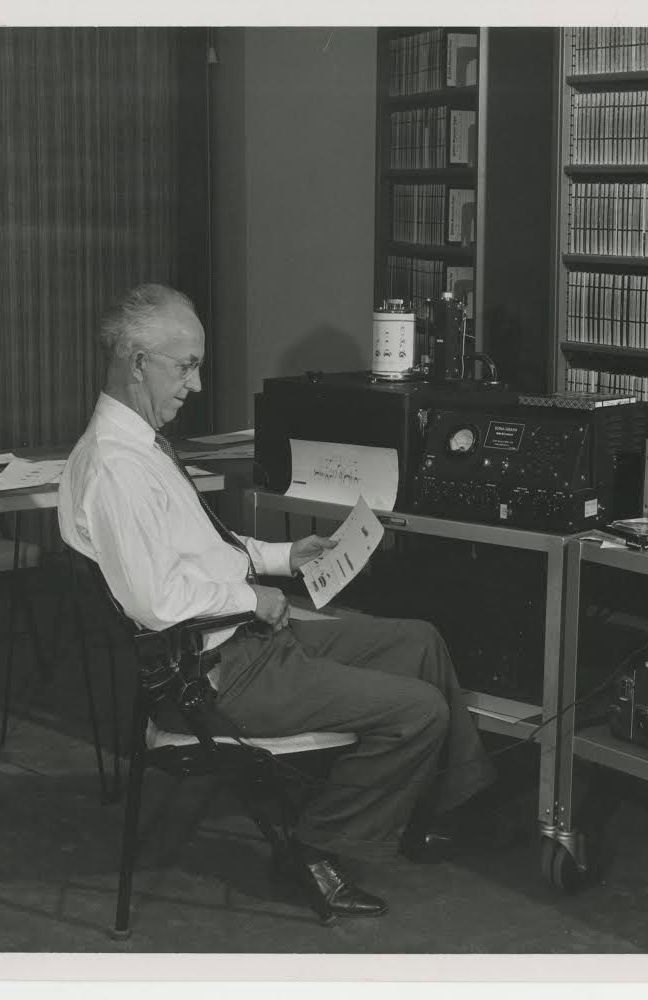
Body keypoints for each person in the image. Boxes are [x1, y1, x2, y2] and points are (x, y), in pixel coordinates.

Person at [58, 283, 497, 919]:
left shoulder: (139, 449)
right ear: (136, 364)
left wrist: (283, 557)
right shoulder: (115, 468)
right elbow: (155, 601)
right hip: (211, 677)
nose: (197, 384)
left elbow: (202, 547)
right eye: (186, 366)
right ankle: (313, 847)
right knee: (419, 711)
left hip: (243, 645)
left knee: (419, 641)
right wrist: (250, 597)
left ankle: (445, 809)